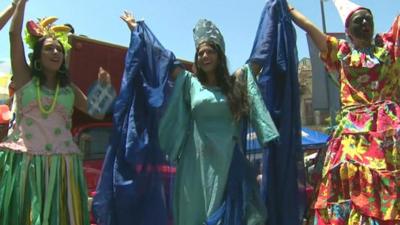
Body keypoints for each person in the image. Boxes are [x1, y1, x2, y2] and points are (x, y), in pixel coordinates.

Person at [119, 11, 279, 225]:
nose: (204, 56)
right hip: (194, 164)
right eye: (200, 53)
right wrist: (137, 30)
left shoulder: (236, 83)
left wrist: (273, 15)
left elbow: (261, 55)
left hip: (228, 161)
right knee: (193, 215)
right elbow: (162, 58)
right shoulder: (189, 83)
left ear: (220, 54)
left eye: (210, 51)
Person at [0, 0, 111, 224]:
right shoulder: (25, 80)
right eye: (49, 48)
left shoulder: (69, 89)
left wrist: (104, 89)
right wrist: (19, 5)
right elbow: (14, 37)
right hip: (25, 164)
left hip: (62, 166)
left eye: (58, 49)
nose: (55, 52)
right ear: (38, 56)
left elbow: (95, 113)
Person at [289, 0, 400, 224]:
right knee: (349, 183)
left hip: (389, 132)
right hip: (352, 133)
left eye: (368, 18)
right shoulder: (341, 53)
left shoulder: (389, 48)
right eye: (359, 20)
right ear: (347, 30)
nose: (365, 22)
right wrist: (288, 9)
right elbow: (310, 28)